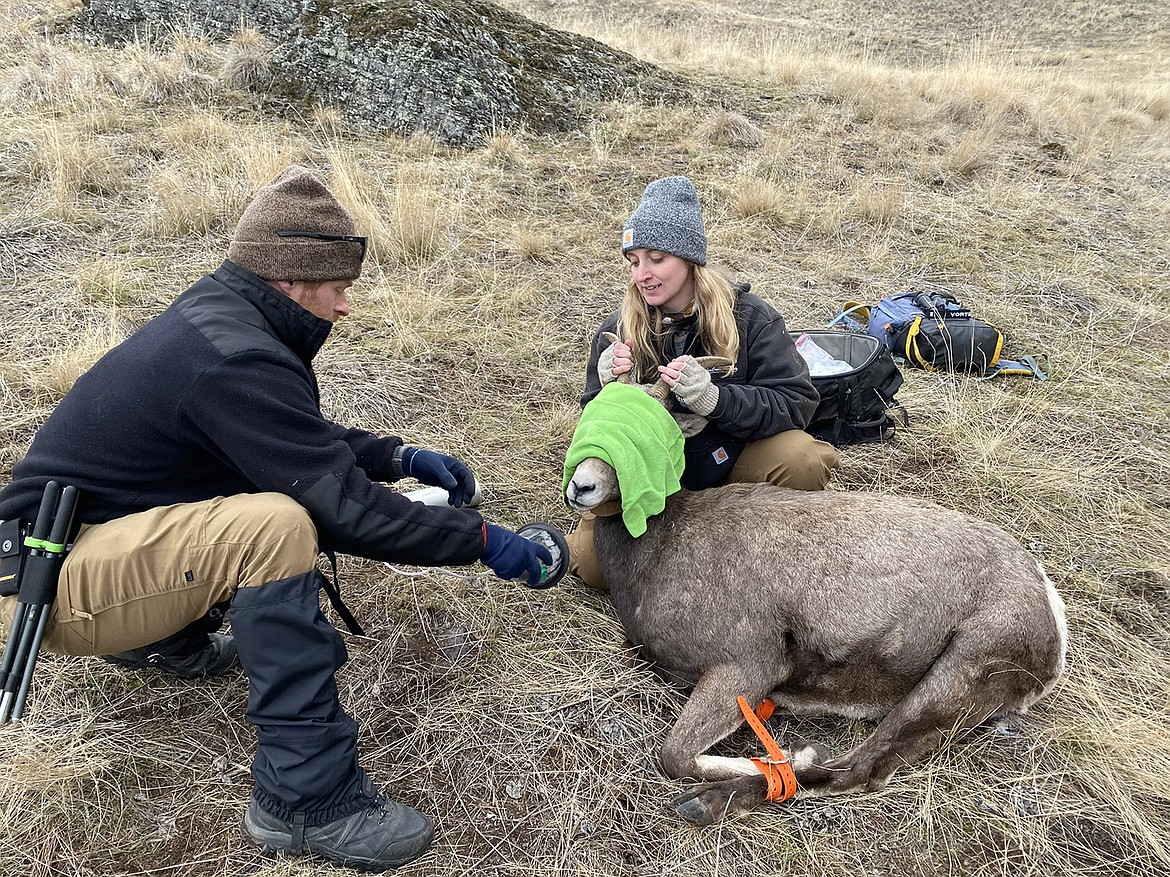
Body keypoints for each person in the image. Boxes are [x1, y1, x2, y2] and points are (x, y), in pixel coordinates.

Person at [0, 165, 552, 872]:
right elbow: (340, 507)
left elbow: (288, 439)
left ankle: (164, 640)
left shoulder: (222, 320)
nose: (345, 306)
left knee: (257, 494)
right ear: (291, 278)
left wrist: (398, 455)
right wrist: (482, 540)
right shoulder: (235, 359)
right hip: (47, 591)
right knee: (275, 526)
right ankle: (305, 800)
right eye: (337, 287)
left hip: (77, 556)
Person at [566, 176, 840, 588]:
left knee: (801, 459)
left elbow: (796, 403)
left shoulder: (751, 318)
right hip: (649, 480)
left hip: (729, 470)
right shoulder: (618, 328)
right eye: (635, 260)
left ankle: (773, 555)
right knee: (592, 566)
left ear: (689, 258)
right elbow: (592, 425)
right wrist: (609, 394)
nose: (643, 274)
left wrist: (716, 399)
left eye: (656, 258)